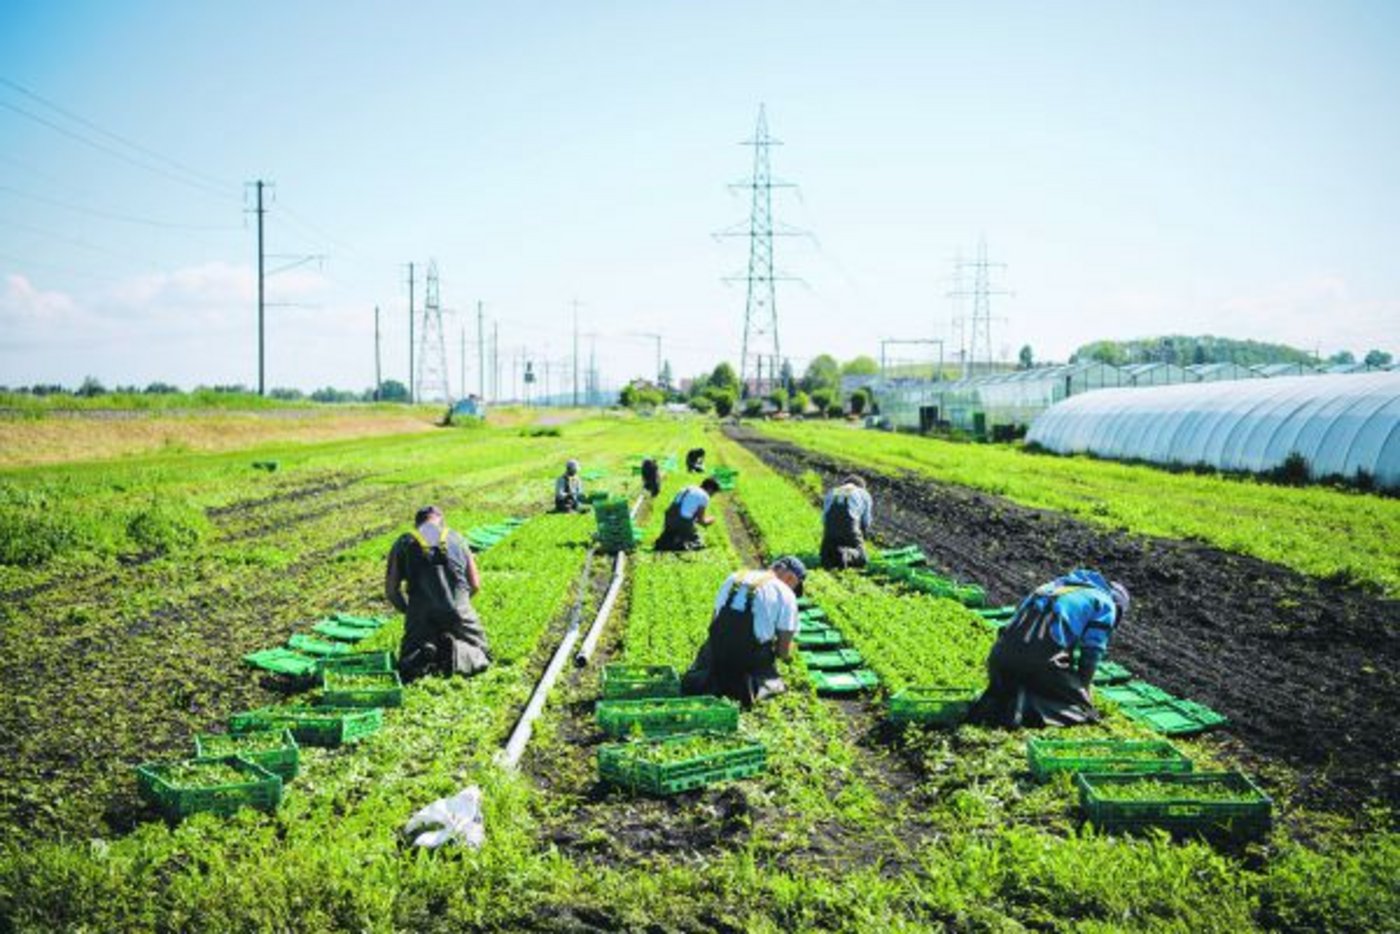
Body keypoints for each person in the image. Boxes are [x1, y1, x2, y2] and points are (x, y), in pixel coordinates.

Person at [967, 569, 1130, 728]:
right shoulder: (1105, 602)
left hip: (999, 658)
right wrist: (1083, 694)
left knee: (1013, 688)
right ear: (1118, 606)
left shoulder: (1052, 587)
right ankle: (1023, 709)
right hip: (1037, 661)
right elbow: (1091, 654)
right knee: (1082, 712)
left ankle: (995, 703)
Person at [681, 556, 807, 706]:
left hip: (716, 659)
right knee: (772, 681)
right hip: (747, 666)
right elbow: (783, 652)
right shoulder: (785, 593)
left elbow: (713, 624)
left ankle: (707, 682)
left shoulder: (734, 578)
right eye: (795, 585)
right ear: (791, 578)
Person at [385, 505, 490, 682]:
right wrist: (459, 604)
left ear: (417, 524)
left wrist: (409, 611)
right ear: (442, 521)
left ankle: (424, 652)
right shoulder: (457, 538)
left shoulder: (403, 542)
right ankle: (457, 653)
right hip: (459, 613)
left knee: (408, 656)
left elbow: (391, 590)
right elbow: (475, 584)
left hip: (421, 615)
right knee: (482, 652)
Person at [653, 477, 721, 551]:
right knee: (698, 542)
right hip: (683, 522)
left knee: (670, 535)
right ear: (710, 489)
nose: (712, 496)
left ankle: (666, 542)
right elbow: (701, 521)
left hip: (669, 518)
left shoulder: (688, 488)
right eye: (713, 493)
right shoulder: (704, 496)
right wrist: (711, 520)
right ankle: (679, 545)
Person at [820, 475, 873, 570]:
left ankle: (828, 555)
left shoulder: (833, 491)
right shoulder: (863, 493)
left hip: (830, 528)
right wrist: (861, 539)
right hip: (850, 526)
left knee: (827, 556)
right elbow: (865, 522)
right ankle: (846, 554)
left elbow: (824, 519)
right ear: (861, 486)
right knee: (863, 558)